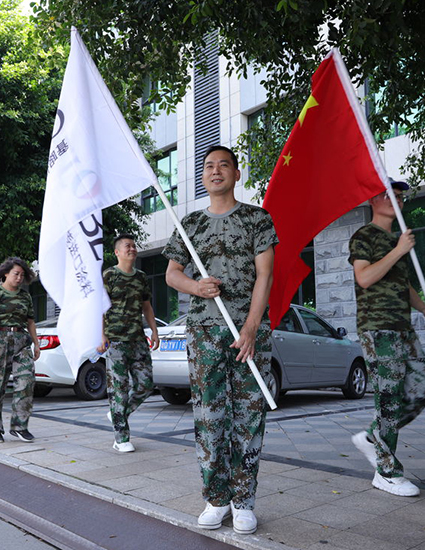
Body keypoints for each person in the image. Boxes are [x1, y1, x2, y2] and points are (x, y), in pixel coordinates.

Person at [164, 145, 277, 535]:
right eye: (209, 167)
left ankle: (244, 500)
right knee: (209, 417)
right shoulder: (190, 224)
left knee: (248, 418)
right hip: (204, 332)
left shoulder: (256, 219)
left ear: (236, 172)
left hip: (248, 334)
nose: (215, 172)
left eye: (223, 165)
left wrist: (250, 327)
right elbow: (171, 274)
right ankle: (216, 498)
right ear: (203, 177)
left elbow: (265, 275)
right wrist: (196, 286)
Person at [349, 180, 425, 497]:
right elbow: (364, 277)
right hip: (378, 327)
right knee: (389, 398)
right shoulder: (364, 236)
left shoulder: (396, 238)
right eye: (391, 194)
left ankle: (373, 437)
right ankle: (386, 472)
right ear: (374, 199)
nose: (398, 200)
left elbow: (404, 285)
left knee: (421, 389)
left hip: (403, 326)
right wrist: (398, 249)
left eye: (401, 196)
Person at [98, 234, 159, 453]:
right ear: (117, 252)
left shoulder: (141, 277)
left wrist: (154, 330)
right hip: (115, 340)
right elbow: (100, 307)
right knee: (119, 391)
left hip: (137, 339)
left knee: (146, 385)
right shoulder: (109, 275)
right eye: (127, 246)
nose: (132, 249)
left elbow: (147, 306)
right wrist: (101, 335)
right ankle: (121, 438)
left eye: (134, 246)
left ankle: (118, 413)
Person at [0, 257, 41, 443]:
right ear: (5, 273)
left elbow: (30, 321)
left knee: (26, 382)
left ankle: (19, 426)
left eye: (23, 275)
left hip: (21, 341)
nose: (19, 278)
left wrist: (36, 343)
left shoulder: (25, 296)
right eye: (16, 274)